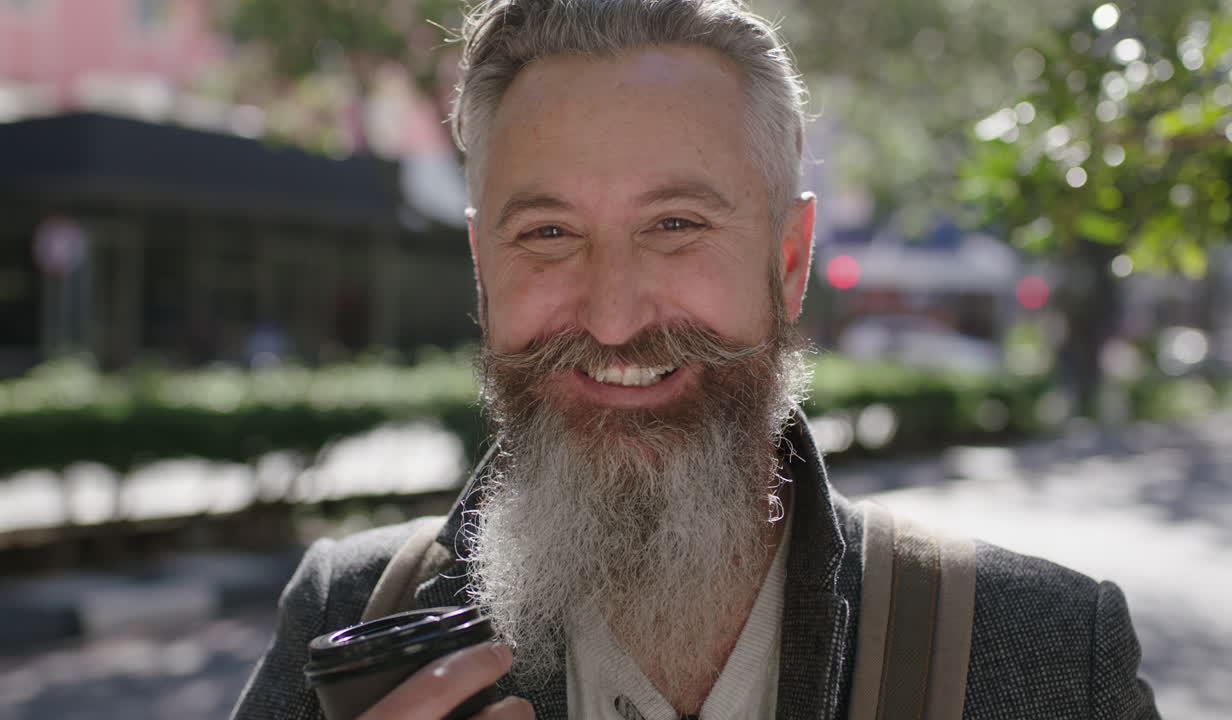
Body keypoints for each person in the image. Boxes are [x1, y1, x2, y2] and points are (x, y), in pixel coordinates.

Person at [233, 1, 1160, 718]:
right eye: (548, 233)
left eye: (676, 226)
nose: (609, 316)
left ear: (788, 262)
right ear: (483, 272)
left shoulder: (1041, 653)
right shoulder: (350, 621)